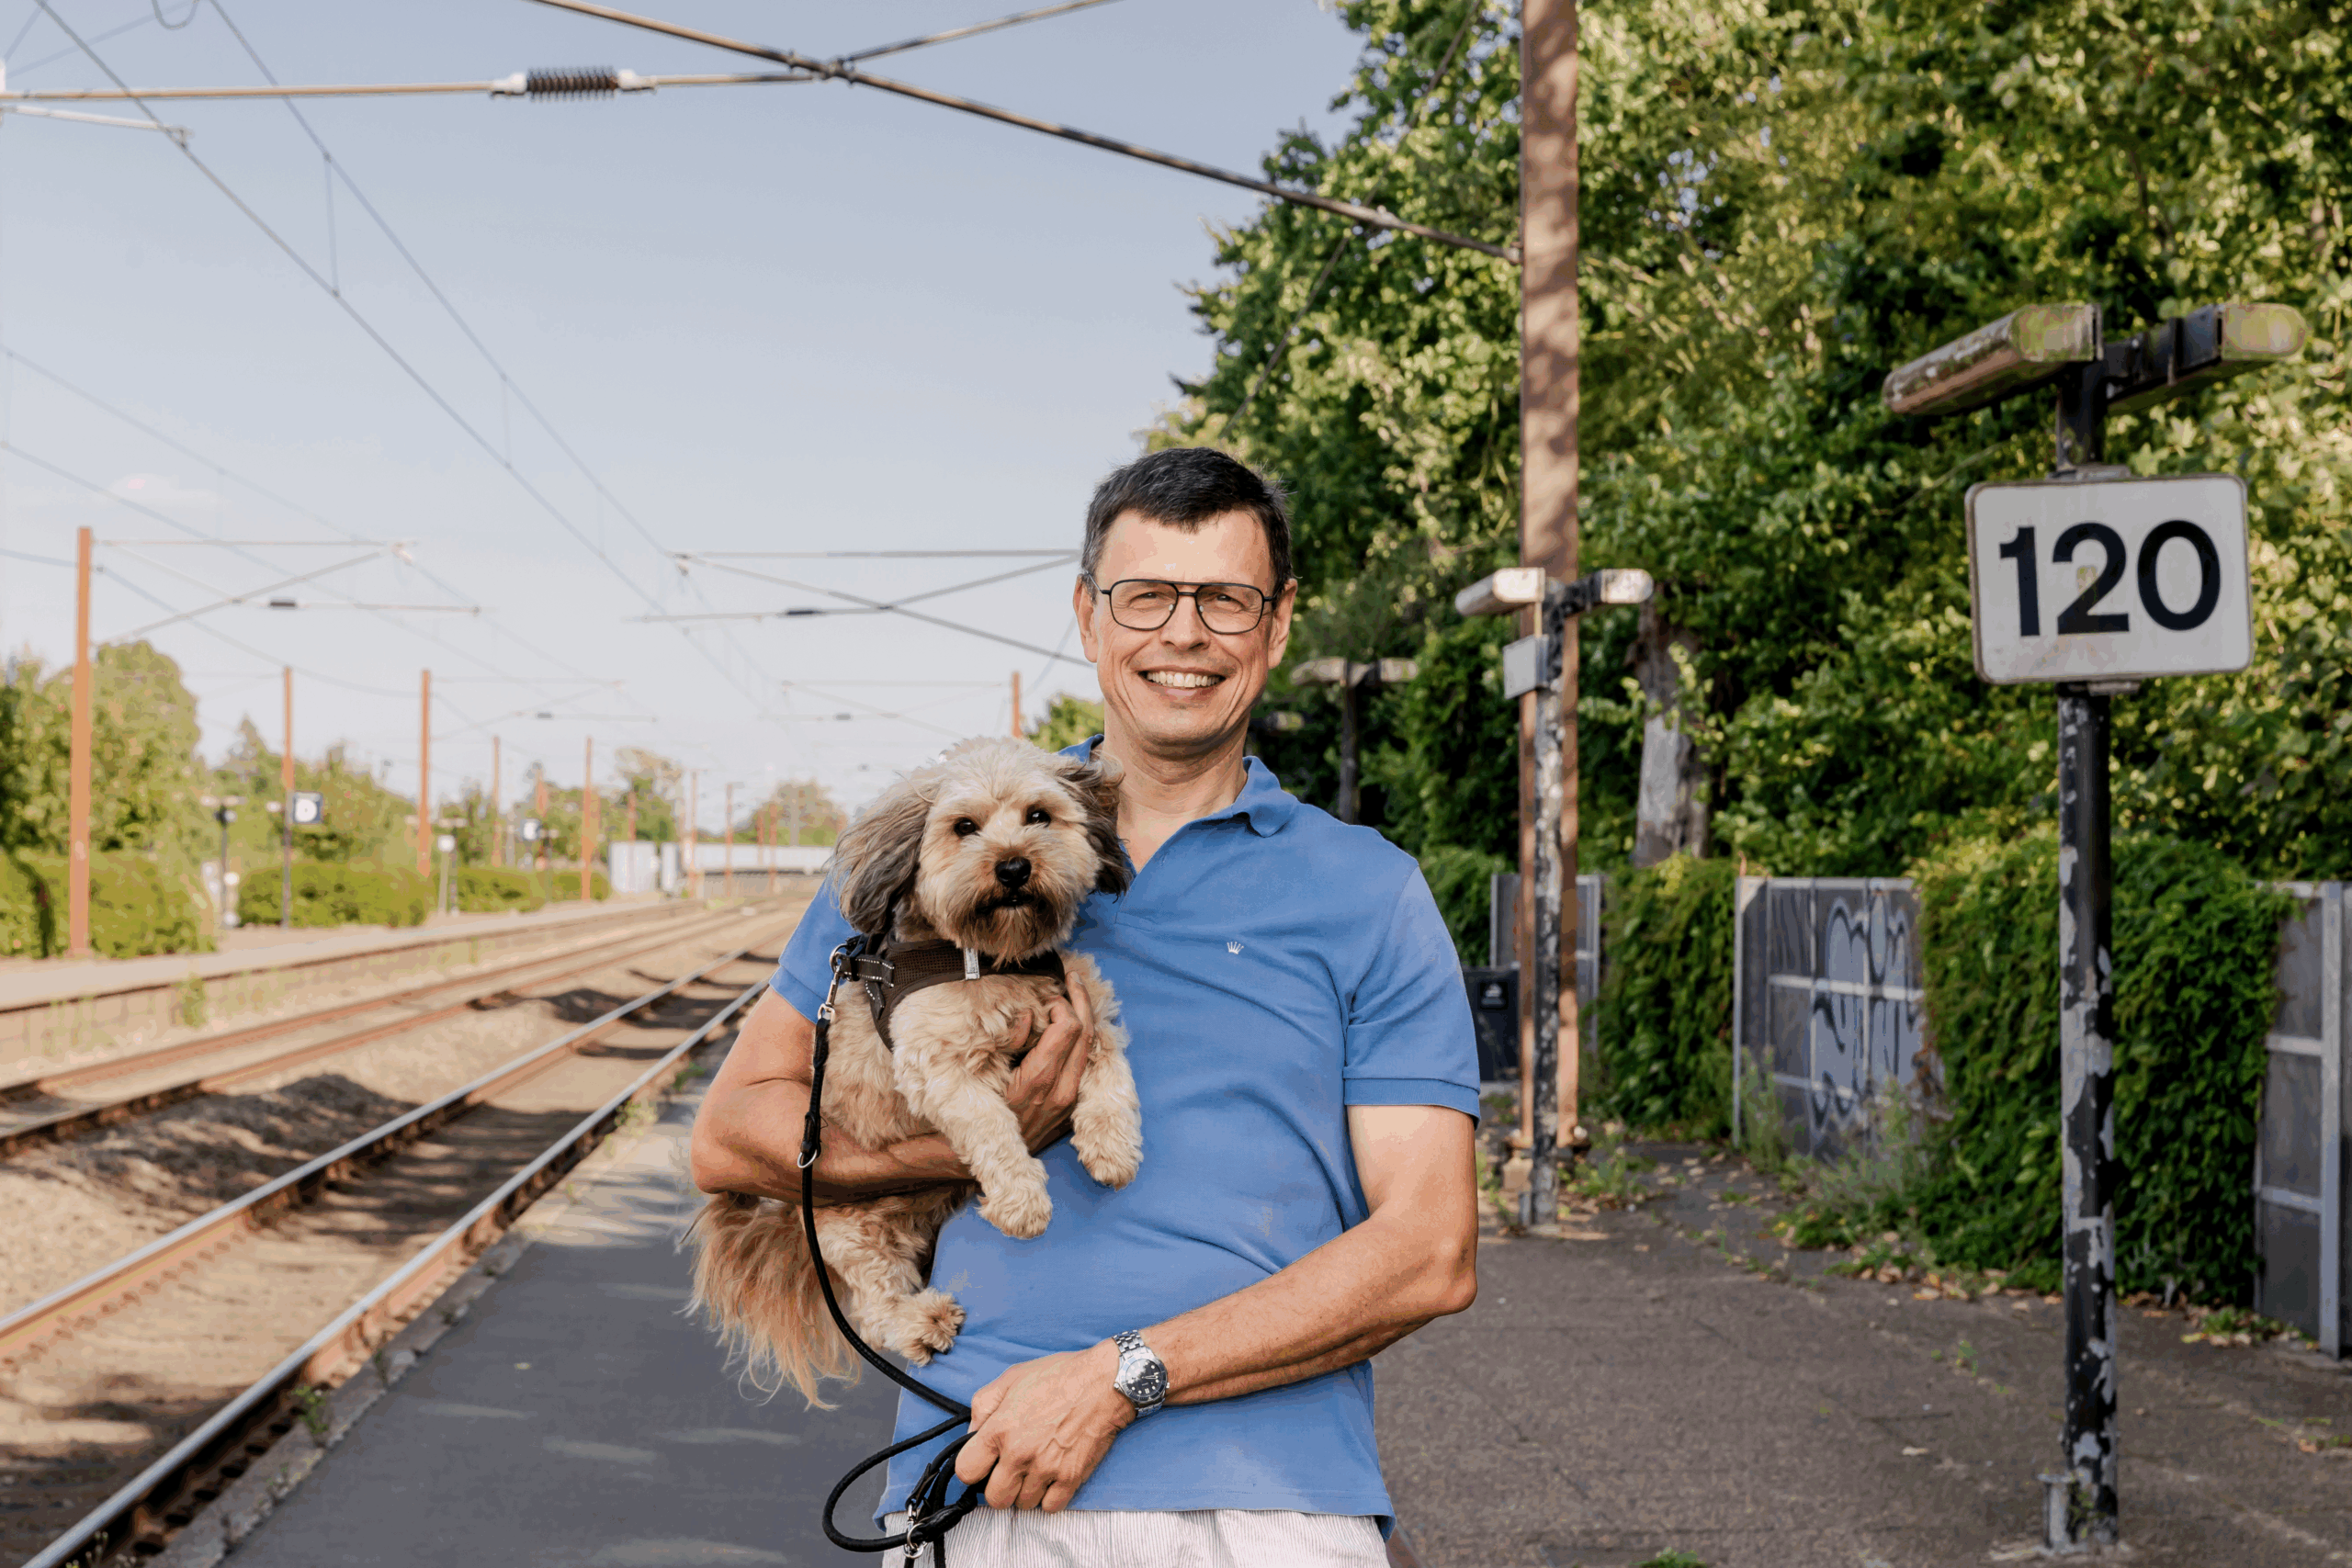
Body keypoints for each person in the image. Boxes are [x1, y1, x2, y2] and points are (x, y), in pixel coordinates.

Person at [690, 446, 1481, 1566]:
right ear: (1088, 614)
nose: (1184, 633)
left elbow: (1429, 1249)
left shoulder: (1368, 891)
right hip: (979, 1474)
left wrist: (1122, 1377)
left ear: (1280, 621)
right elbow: (730, 1137)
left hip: (1267, 1507)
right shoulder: (940, 843)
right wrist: (953, 1146)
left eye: (1226, 599)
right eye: (1146, 596)